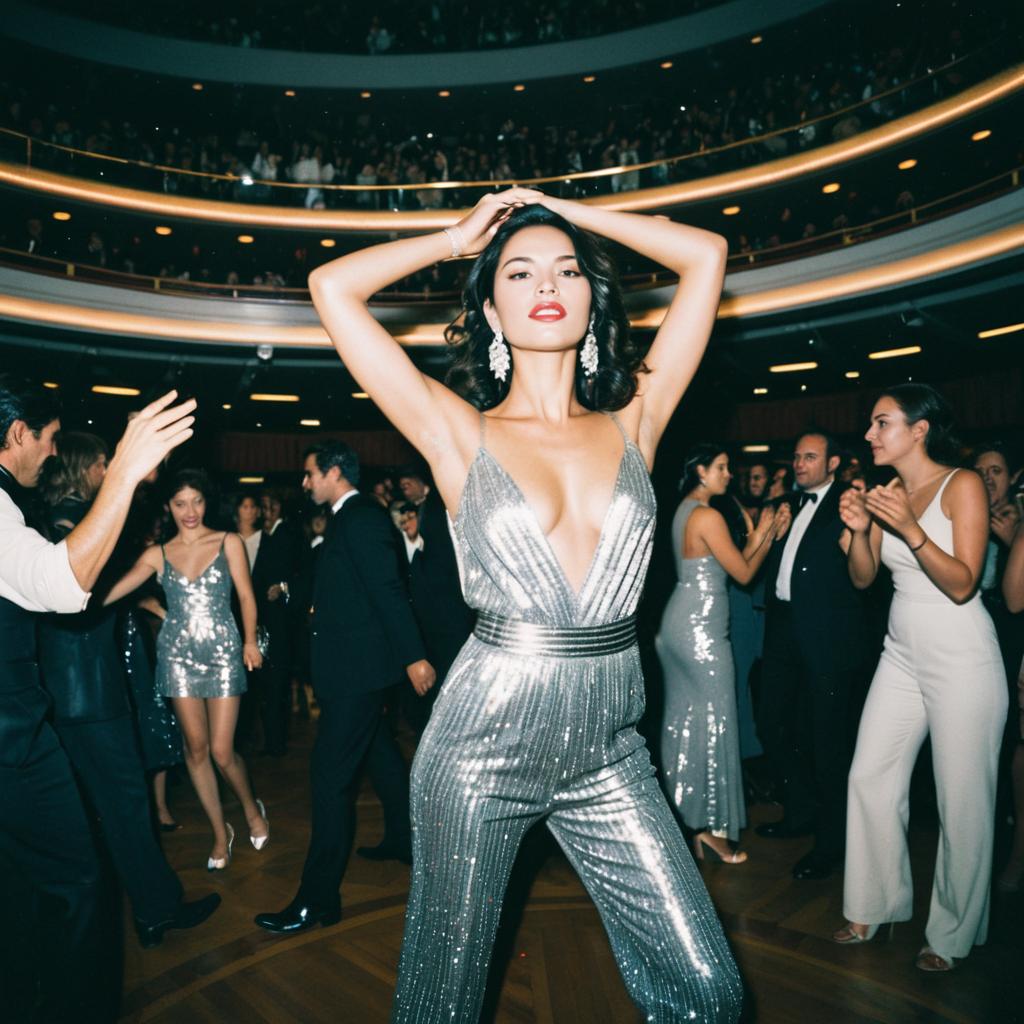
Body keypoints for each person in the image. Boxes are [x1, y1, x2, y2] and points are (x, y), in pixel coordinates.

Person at [307, 188, 742, 1022]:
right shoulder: (455, 430)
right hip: (480, 744)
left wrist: (564, 213)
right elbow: (333, 288)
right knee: (446, 997)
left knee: (710, 988)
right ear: (492, 310)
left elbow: (705, 257)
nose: (549, 281)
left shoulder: (635, 421)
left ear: (590, 298)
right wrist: (455, 238)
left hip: (612, 746)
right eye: (520, 271)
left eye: (568, 270)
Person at [0, 379, 195, 1020]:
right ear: (18, 434)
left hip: (36, 715)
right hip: (20, 727)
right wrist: (130, 474)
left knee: (28, 888)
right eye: (48, 439)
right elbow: (63, 586)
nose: (51, 454)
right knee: (80, 882)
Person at [834, 384, 1006, 972]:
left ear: (920, 429)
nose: (869, 434)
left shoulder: (962, 485)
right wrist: (860, 530)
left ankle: (952, 934)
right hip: (900, 651)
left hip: (961, 655)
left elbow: (963, 583)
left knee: (963, 801)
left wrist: (910, 527)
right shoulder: (888, 492)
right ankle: (873, 904)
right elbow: (862, 579)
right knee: (869, 776)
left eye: (882, 423)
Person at [37, 433, 220, 949]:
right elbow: (86, 597)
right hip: (89, 691)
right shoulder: (73, 520)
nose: (104, 473)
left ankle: (141, 909)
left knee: (107, 806)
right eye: (100, 465)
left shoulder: (51, 515)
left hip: (70, 688)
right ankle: (154, 911)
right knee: (124, 803)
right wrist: (141, 577)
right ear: (87, 469)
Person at [255, 442, 433, 934]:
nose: (305, 482)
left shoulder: (364, 519)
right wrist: (291, 593)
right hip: (351, 671)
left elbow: (388, 592)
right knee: (378, 754)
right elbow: (332, 580)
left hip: (358, 674)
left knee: (328, 781)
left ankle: (317, 900)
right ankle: (402, 837)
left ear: (334, 472)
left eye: (310, 473)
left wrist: (414, 656)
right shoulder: (347, 517)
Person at [105, 469, 269, 870]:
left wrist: (249, 640)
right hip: (177, 658)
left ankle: (250, 808)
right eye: (180, 503)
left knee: (221, 749)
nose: (190, 511)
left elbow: (247, 596)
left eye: (196, 501)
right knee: (195, 750)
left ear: (206, 502)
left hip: (224, 653)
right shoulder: (155, 554)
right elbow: (111, 593)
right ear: (169, 507)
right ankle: (219, 833)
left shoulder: (228, 542)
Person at [657, 445, 790, 864]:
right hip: (701, 631)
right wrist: (767, 532)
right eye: (722, 467)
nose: (729, 474)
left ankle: (693, 825)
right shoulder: (708, 516)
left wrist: (762, 533)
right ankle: (707, 826)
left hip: (679, 624)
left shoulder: (685, 510)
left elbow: (736, 561)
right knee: (715, 725)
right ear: (700, 470)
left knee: (687, 724)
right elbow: (747, 574)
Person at [756, 432, 870, 882]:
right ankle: (801, 808)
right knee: (771, 722)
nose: (800, 463)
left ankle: (831, 844)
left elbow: (863, 576)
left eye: (810, 456)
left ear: (833, 462)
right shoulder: (788, 504)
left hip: (826, 639)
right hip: (782, 631)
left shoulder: (849, 503)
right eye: (797, 455)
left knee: (828, 745)